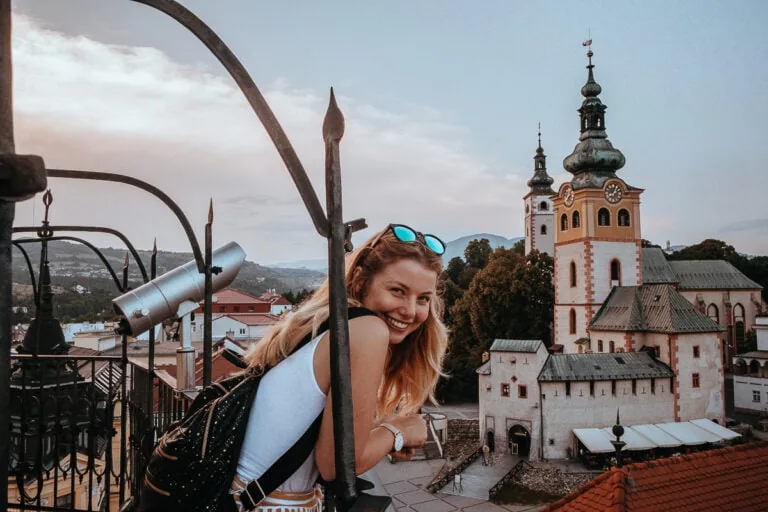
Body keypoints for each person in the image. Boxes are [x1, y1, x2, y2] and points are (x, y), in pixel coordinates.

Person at [230, 224, 449, 511]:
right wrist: (397, 434)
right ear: (360, 280)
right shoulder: (368, 331)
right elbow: (338, 465)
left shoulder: (328, 324)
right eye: (397, 291)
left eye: (423, 299)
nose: (410, 310)